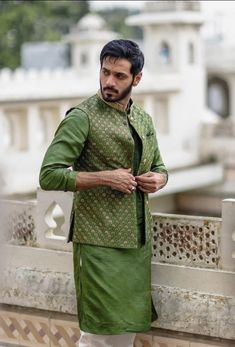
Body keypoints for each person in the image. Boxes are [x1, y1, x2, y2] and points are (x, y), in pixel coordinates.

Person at [39, 39, 168, 347]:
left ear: (136, 78)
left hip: (136, 244)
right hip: (97, 241)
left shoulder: (143, 119)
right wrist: (105, 178)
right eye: (105, 72)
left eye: (119, 75)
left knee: (124, 334)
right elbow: (49, 175)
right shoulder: (82, 117)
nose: (109, 81)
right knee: (98, 336)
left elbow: (161, 166)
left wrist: (159, 180)